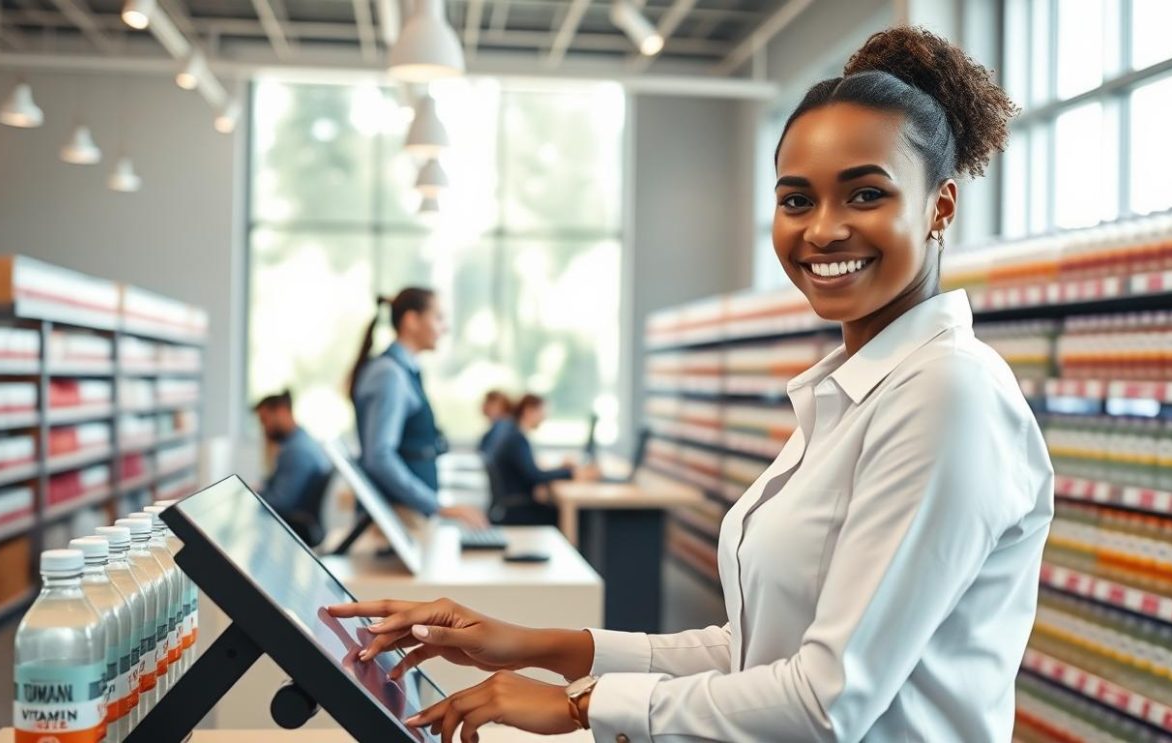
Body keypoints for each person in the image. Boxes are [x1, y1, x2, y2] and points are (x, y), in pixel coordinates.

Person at [330, 26, 1052, 742]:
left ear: (941, 207)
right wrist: (530, 642)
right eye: (796, 200)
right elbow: (754, 652)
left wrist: (580, 704)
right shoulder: (856, 394)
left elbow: (826, 701)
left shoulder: (947, 396)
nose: (824, 230)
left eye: (865, 194)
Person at [349, 288, 488, 529]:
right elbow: (380, 456)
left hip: (406, 515)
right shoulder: (389, 375)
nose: (444, 328)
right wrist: (436, 505)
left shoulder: (404, 372)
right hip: (398, 517)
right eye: (438, 318)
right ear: (411, 321)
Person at [486, 394, 598, 526]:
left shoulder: (514, 434)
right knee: (577, 517)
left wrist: (562, 468)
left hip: (511, 506)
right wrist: (571, 473)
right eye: (542, 412)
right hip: (517, 511)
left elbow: (531, 470)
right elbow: (535, 475)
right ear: (528, 411)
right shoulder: (517, 440)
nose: (544, 417)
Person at [254, 390, 332, 546]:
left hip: (296, 528)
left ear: (282, 411)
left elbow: (280, 503)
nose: (264, 428)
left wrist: (251, 498)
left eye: (265, 420)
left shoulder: (295, 451)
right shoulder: (301, 441)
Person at [477, 390, 514, 456]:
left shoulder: (503, 428)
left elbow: (489, 456)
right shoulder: (500, 426)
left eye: (487, 402)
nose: (483, 406)